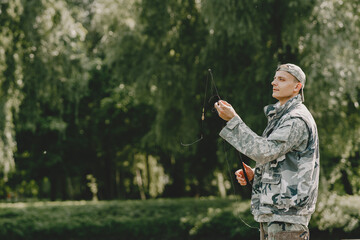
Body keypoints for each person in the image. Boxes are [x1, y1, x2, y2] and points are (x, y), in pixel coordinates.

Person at [214, 63, 319, 240]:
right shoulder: (284, 117)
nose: (273, 82)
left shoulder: (296, 119)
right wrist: (257, 174)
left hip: (287, 218)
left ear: (297, 86)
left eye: (281, 79)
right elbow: (283, 160)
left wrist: (234, 120)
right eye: (274, 78)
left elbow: (264, 151)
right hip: (277, 216)